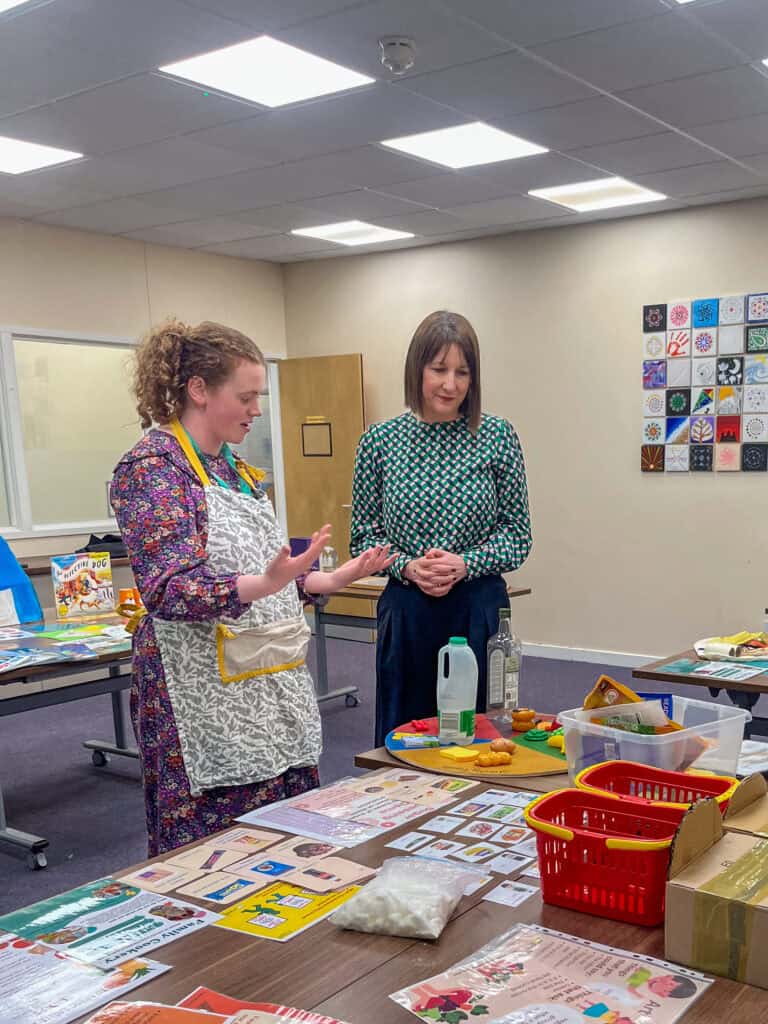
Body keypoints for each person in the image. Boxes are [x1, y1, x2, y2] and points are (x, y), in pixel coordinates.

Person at [111, 319, 393, 855]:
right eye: (245, 396)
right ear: (198, 389)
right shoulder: (153, 469)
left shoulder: (234, 469)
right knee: (214, 854)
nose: (257, 410)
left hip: (268, 688)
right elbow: (169, 590)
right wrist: (266, 581)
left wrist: (321, 579)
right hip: (199, 696)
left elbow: (264, 574)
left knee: (285, 840)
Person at [350, 310, 532, 746]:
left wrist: (464, 563)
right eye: (439, 370)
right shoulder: (379, 441)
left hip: (477, 608)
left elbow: (517, 535)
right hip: (408, 610)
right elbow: (363, 536)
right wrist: (410, 567)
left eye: (462, 372)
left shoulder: (496, 436)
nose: (450, 384)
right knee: (405, 736)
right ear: (418, 369)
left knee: (480, 735)